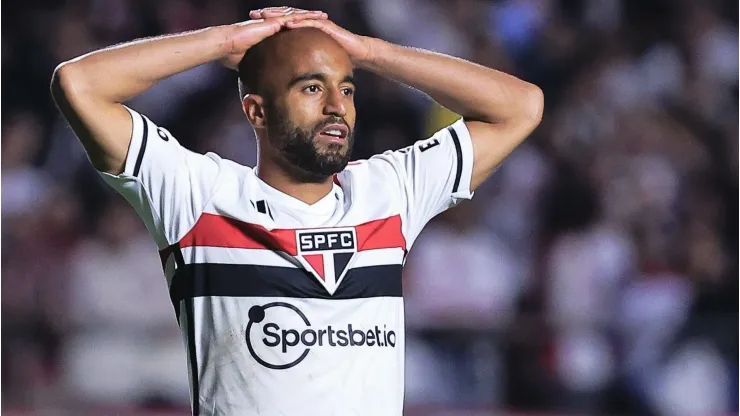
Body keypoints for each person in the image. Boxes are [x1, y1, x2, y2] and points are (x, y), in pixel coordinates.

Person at [51, 6, 543, 415]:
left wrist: (371, 52)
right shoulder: (198, 195)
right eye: (311, 87)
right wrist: (223, 42)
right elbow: (79, 84)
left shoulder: (390, 192)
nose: (337, 106)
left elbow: (521, 105)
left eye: (347, 88)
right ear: (256, 111)